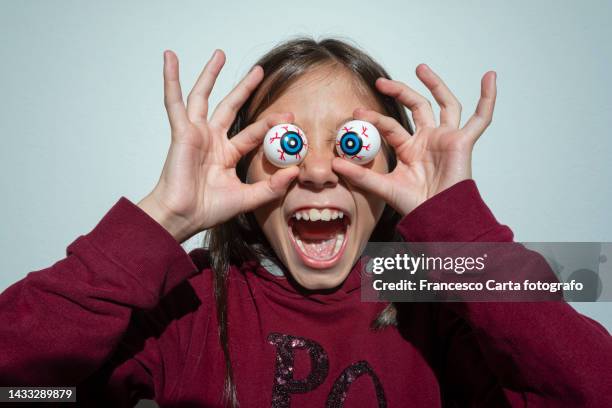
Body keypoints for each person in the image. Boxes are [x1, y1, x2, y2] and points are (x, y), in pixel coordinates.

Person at [0, 37, 610, 407]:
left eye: (351, 142)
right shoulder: (185, 308)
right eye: (288, 142)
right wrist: (161, 218)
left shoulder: (438, 304)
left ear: (396, 161)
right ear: (239, 168)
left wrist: (456, 231)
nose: (318, 170)